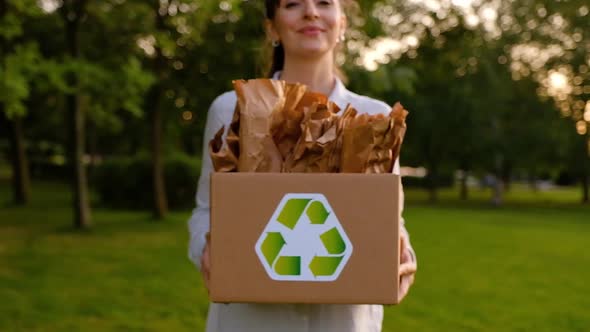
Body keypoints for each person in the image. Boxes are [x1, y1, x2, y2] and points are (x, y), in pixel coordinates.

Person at [188, 0, 417, 331]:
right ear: (272, 27)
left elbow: (386, 214)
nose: (310, 12)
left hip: (344, 321)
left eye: (324, 2)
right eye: (292, 4)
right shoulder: (232, 109)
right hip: (252, 320)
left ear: (342, 22)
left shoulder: (376, 117)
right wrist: (206, 251)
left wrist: (404, 253)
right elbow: (206, 211)